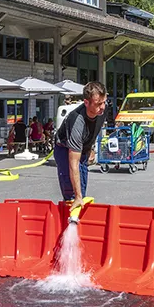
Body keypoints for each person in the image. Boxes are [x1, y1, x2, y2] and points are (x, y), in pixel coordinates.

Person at [54, 81, 107, 210]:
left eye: (104, 102)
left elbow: (94, 129)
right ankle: (69, 219)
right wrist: (77, 196)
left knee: (81, 187)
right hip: (64, 148)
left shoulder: (102, 110)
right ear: (86, 102)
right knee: (72, 193)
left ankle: (78, 212)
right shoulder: (77, 122)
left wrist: (91, 148)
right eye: (98, 104)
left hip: (83, 147)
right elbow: (73, 164)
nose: (103, 107)